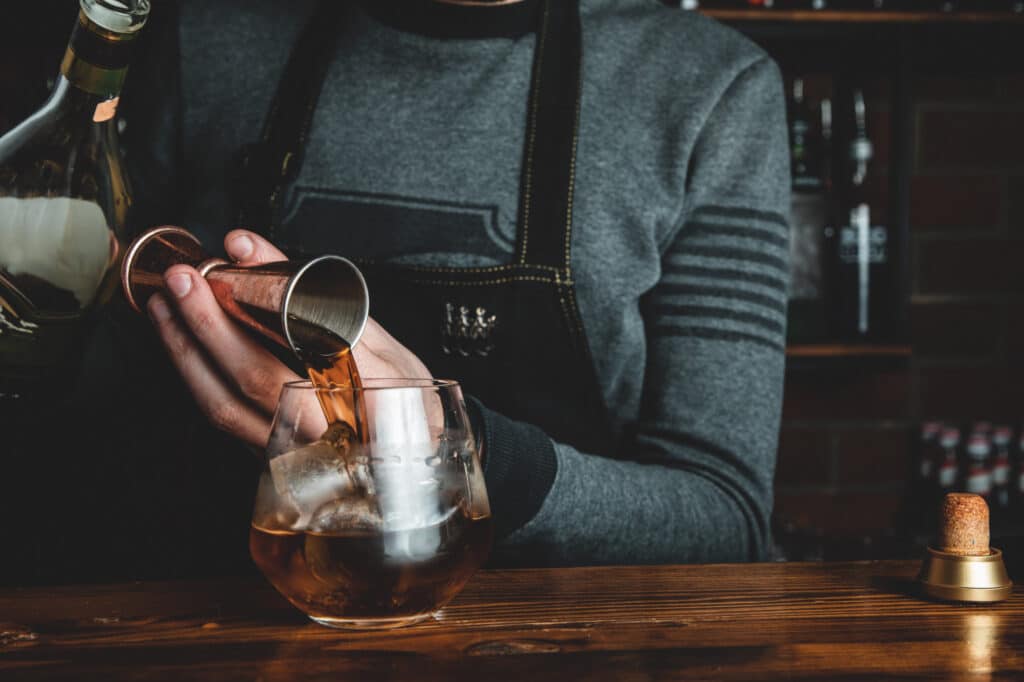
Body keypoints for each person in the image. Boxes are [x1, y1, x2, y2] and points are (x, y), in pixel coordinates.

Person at [103, 0, 791, 573]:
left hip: (564, 642)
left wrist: (464, 460)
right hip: (220, 621)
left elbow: (725, 517)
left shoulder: (709, 86)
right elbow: (96, 400)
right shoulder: (206, 38)